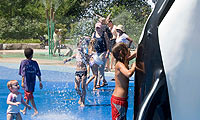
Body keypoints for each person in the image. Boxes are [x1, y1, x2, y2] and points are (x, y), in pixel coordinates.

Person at [111, 43, 136, 120]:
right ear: (121, 52)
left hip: (122, 99)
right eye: (127, 48)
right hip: (118, 99)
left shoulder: (124, 61)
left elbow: (134, 54)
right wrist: (133, 66)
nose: (129, 50)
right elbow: (128, 74)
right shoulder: (119, 64)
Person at [63, 39, 89, 107]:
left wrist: (88, 73)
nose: (80, 48)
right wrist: (66, 60)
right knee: (76, 88)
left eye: (81, 47)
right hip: (77, 72)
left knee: (83, 87)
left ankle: (83, 101)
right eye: (79, 47)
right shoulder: (76, 55)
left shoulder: (85, 55)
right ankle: (81, 96)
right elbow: (70, 58)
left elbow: (88, 64)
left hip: (84, 71)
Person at [19, 48, 43, 117]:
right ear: (32, 55)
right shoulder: (35, 63)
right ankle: (24, 109)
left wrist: (22, 82)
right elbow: (38, 72)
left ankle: (36, 111)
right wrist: (40, 81)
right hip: (33, 82)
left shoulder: (23, 62)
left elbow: (23, 73)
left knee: (29, 95)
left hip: (27, 82)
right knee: (28, 95)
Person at [91, 22, 110, 88]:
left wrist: (107, 52)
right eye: (97, 28)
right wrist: (91, 52)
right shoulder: (93, 34)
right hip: (96, 52)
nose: (98, 29)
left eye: (99, 28)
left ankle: (99, 82)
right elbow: (91, 44)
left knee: (101, 67)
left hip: (103, 52)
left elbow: (107, 43)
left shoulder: (104, 34)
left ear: (101, 28)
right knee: (96, 67)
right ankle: (104, 80)